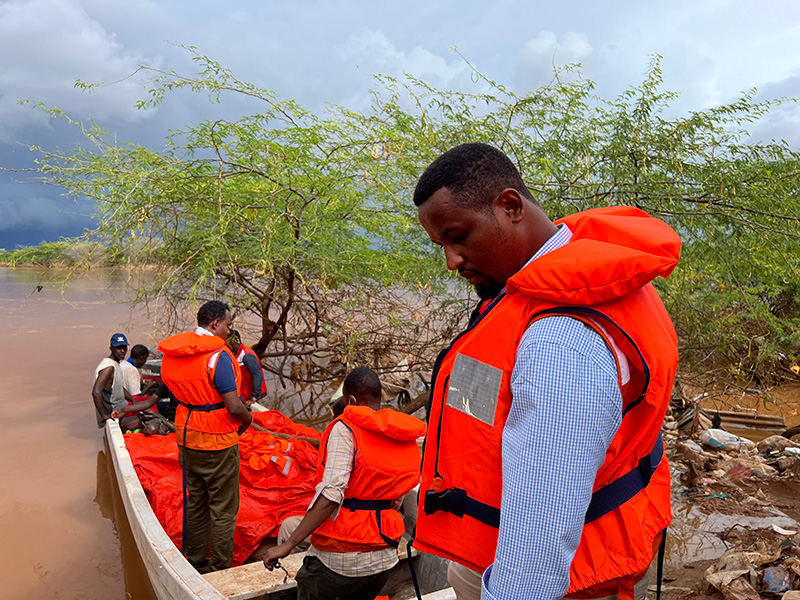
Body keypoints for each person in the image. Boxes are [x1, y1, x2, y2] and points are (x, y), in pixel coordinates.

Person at [411, 143, 680, 600]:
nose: (452, 261)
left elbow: (539, 541)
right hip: (534, 546)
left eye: (459, 235)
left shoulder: (559, 342)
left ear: (510, 206)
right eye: (442, 245)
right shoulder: (587, 274)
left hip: (567, 576)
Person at [263, 367, 426, 600]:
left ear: (350, 400)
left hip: (340, 560)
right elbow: (397, 502)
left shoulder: (345, 428)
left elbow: (331, 495)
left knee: (294, 539)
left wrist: (286, 546)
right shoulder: (400, 435)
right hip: (384, 560)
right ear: (379, 398)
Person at [157, 300, 253, 573]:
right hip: (217, 441)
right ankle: (220, 569)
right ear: (215, 324)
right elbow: (234, 406)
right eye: (228, 325)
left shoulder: (173, 355)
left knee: (196, 502)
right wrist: (248, 418)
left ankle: (196, 560)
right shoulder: (217, 356)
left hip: (187, 437)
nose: (228, 332)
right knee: (223, 510)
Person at [92, 333, 140, 431]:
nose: (122, 351)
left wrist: (132, 399)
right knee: (146, 417)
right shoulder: (108, 367)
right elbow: (96, 392)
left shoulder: (115, 363)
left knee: (143, 406)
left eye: (124, 347)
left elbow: (118, 387)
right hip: (115, 410)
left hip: (121, 406)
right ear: (111, 348)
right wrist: (104, 416)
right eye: (118, 348)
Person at [226, 329, 267, 407]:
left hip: (251, 394)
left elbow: (257, 376)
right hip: (244, 392)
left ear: (232, 342)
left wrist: (253, 398)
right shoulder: (236, 354)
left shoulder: (246, 355)